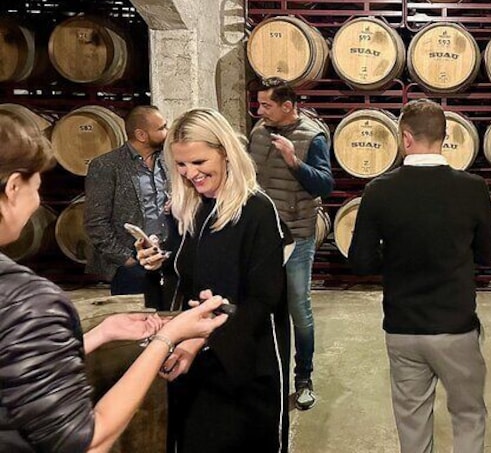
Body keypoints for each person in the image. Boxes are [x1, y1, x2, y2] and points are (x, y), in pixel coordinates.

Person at [0, 112, 228, 452]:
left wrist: (100, 334)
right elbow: (86, 441)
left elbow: (14, 368)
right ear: (14, 187)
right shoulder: (27, 301)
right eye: (38, 188)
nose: (37, 202)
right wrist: (167, 338)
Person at [137, 108, 293, 452]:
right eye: (180, 165)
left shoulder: (257, 212)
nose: (190, 173)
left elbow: (263, 300)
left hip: (244, 364)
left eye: (198, 162)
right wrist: (159, 264)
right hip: (195, 358)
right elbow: (187, 275)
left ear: (225, 152)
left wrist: (202, 339)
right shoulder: (189, 209)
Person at [348, 99, 491, 453]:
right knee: (468, 415)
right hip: (455, 325)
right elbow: (488, 256)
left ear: (405, 138)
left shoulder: (379, 190)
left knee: (412, 423)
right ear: (444, 138)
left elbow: (361, 262)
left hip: (402, 326)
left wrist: (396, 255)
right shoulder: (472, 188)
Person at [248, 79, 333, 411]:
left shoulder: (313, 136)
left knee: (299, 309)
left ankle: (304, 379)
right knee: (260, 306)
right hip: (262, 236)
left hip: (296, 235)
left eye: (266, 105)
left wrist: (294, 161)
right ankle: (265, 374)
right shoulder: (258, 131)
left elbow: (324, 184)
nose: (260, 111)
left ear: (287, 106)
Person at [85, 105, 170, 302]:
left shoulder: (168, 160)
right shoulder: (107, 166)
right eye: (161, 128)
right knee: (134, 325)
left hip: (166, 258)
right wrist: (126, 259)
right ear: (141, 134)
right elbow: (95, 222)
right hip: (132, 266)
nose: (167, 132)